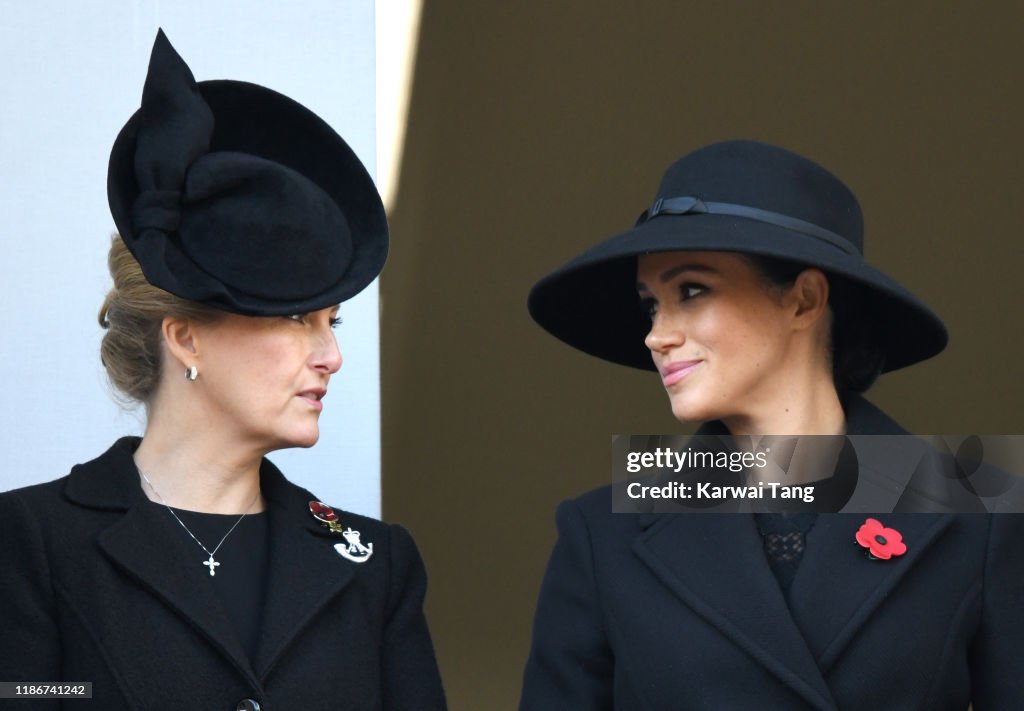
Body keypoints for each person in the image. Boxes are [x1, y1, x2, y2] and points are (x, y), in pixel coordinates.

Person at [0, 31, 446, 710]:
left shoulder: (376, 563)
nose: (331, 355)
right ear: (186, 339)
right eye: (297, 319)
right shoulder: (33, 541)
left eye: (334, 321)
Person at [520, 140, 1023, 709]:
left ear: (805, 301)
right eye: (651, 305)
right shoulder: (600, 532)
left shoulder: (982, 510)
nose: (657, 334)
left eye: (691, 291)